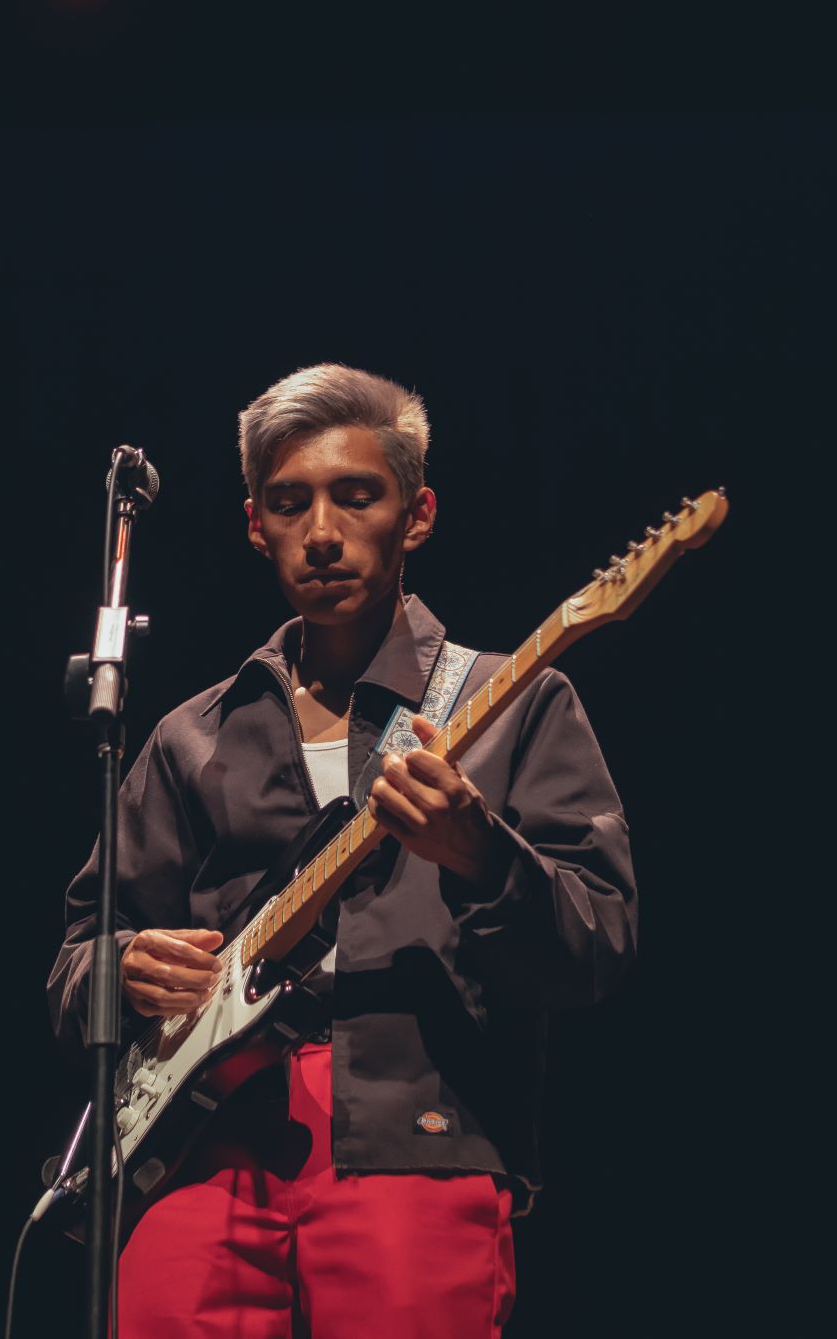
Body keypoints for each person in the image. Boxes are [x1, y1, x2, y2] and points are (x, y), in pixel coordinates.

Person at [48, 363, 638, 1338]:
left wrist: (478, 854)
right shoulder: (191, 737)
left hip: (414, 1143)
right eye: (289, 503)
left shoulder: (515, 707)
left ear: (416, 514)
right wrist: (122, 967)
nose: (321, 530)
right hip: (198, 1160)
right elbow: (75, 962)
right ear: (254, 525)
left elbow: (599, 942)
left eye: (354, 495)